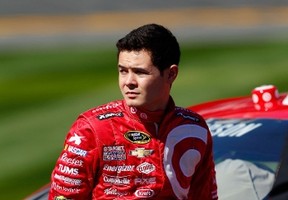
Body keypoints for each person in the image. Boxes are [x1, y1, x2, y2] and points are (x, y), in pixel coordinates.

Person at [48, 23, 218, 200]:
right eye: (123, 71)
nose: (128, 81)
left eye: (140, 72)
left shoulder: (194, 128)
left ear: (171, 74)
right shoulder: (91, 129)